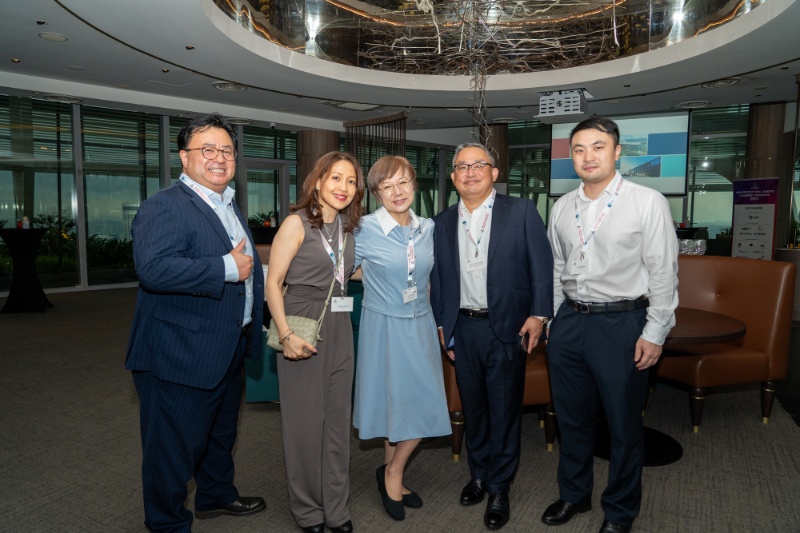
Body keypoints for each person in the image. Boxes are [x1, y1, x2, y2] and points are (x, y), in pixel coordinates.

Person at [125, 113, 266, 532]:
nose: (219, 157)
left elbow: (244, 267)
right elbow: (154, 269)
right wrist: (226, 267)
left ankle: (215, 494)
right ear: (184, 158)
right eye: (207, 149)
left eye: (227, 150)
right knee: (173, 449)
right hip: (178, 354)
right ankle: (167, 524)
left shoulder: (226, 203)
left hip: (227, 344)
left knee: (220, 433)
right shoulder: (165, 205)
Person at [542, 116, 678, 533]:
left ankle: (619, 512)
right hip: (570, 323)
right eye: (579, 149)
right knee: (571, 420)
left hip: (623, 324)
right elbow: (557, 268)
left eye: (598, 147)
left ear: (617, 152)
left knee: (622, 425)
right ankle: (574, 494)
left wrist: (655, 332)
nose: (588, 156)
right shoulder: (562, 206)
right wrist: (553, 320)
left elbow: (663, 273)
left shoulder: (646, 202)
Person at [430, 142, 553, 531]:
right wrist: (442, 326)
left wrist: (539, 315)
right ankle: (479, 475)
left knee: (504, 411)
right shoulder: (441, 222)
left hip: (507, 328)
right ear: (453, 177)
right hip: (462, 329)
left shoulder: (522, 211)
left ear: (494, 173)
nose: (470, 172)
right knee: (475, 409)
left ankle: (500, 486)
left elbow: (542, 266)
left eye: (478, 165)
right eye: (462, 167)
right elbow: (439, 280)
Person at [265, 151, 364, 533]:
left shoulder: (348, 228)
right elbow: (273, 283)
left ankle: (336, 508)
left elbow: (347, 273)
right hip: (302, 322)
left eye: (351, 181)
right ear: (318, 181)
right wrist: (285, 334)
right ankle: (308, 510)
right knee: (305, 424)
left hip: (340, 324)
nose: (343, 187)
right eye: (336, 178)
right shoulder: (297, 223)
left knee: (338, 422)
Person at [352, 156, 451, 521]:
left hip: (420, 323)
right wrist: (376, 279)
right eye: (387, 186)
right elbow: (341, 270)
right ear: (376, 193)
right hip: (383, 326)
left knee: (423, 402)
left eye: (403, 183)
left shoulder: (427, 228)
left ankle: (392, 471)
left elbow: (427, 276)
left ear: (414, 184)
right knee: (391, 401)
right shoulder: (363, 229)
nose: (397, 192)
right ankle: (392, 474)